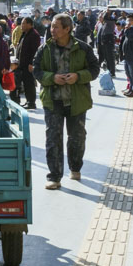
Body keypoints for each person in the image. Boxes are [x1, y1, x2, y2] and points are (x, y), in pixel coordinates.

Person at [33, 13, 100, 190]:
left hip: (77, 101)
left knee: (77, 137)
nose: (52, 30)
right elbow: (36, 70)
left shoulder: (83, 48)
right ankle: (54, 176)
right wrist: (51, 78)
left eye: (56, 27)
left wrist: (78, 76)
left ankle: (75, 167)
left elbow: (94, 70)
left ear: (67, 29)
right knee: (53, 138)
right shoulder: (45, 48)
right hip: (52, 101)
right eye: (52, 26)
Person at [11, 16, 42, 110]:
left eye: (24, 23)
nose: (22, 25)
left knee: (29, 83)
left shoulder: (34, 35)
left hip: (28, 64)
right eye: (22, 23)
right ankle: (26, 102)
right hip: (21, 64)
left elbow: (35, 51)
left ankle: (31, 102)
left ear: (30, 24)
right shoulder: (25, 33)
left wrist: (31, 63)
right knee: (22, 83)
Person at [97, 10, 118, 77]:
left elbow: (106, 17)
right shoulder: (103, 24)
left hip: (109, 41)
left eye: (102, 16)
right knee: (106, 57)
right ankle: (109, 71)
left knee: (110, 58)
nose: (101, 18)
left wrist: (107, 12)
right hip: (104, 42)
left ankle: (112, 72)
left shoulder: (110, 21)